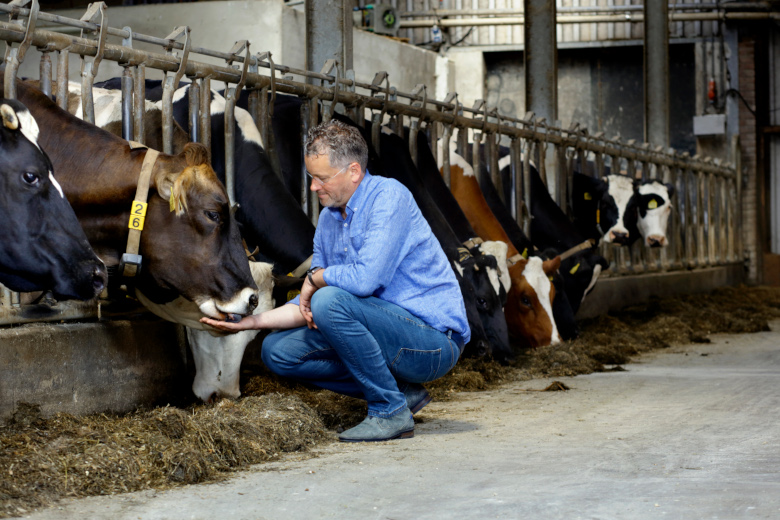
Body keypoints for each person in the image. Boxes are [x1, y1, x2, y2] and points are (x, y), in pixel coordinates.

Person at [201, 119, 470, 442]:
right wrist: (248, 323)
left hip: (433, 342)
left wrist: (315, 279)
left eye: (321, 178)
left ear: (354, 171)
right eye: (311, 177)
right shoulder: (329, 220)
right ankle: (399, 394)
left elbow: (363, 281)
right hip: (382, 333)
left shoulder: (389, 198)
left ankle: (388, 409)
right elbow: (311, 304)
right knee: (277, 350)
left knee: (329, 299)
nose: (313, 187)